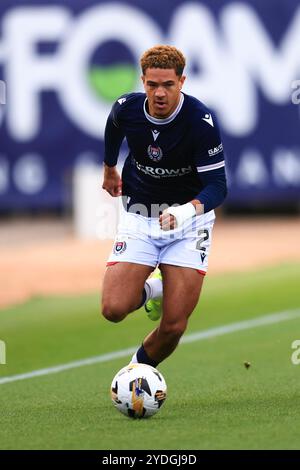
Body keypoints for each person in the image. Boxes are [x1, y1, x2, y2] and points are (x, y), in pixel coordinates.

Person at [101, 44, 227, 368]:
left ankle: (137, 374)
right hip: (140, 215)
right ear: (142, 80)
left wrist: (184, 211)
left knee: (173, 326)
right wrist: (109, 166)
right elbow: (114, 124)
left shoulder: (200, 121)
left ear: (181, 82)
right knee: (113, 309)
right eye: (152, 84)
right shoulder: (128, 108)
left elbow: (218, 186)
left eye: (168, 85)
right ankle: (153, 289)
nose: (159, 93)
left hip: (189, 224)